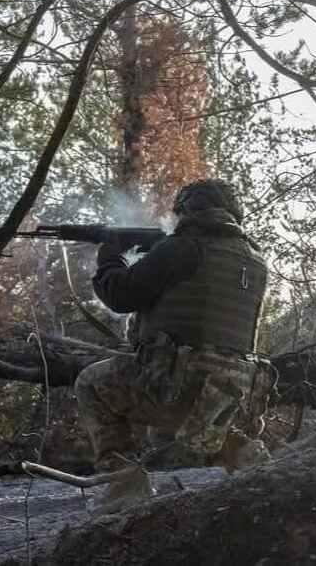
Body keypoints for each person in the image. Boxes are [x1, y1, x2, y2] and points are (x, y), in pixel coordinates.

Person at [74, 179, 269, 513]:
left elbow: (120, 295)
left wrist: (110, 256)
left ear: (189, 208)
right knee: (180, 424)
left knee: (92, 383)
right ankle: (245, 453)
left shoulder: (181, 248)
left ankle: (124, 483)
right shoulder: (255, 259)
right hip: (237, 391)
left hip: (181, 382)